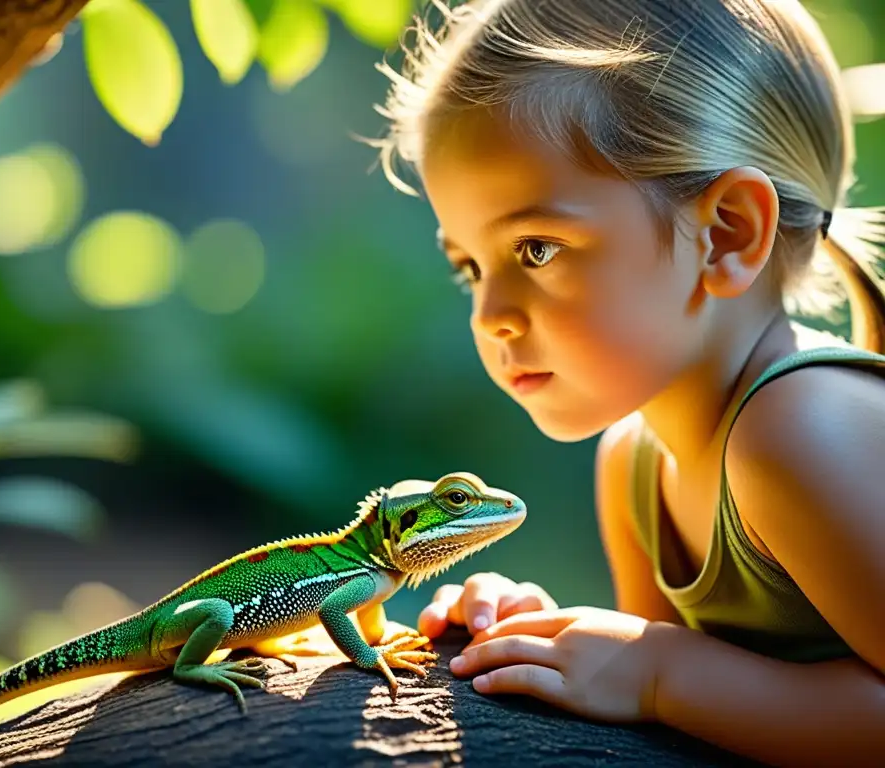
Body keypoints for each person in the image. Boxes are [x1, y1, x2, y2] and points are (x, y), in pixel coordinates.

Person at [369, 1, 885, 765]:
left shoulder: (796, 432)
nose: (490, 316)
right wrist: (549, 639)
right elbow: (675, 724)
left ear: (727, 234)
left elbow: (672, 679)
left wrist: (658, 670)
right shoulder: (634, 462)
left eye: (536, 249)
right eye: (468, 267)